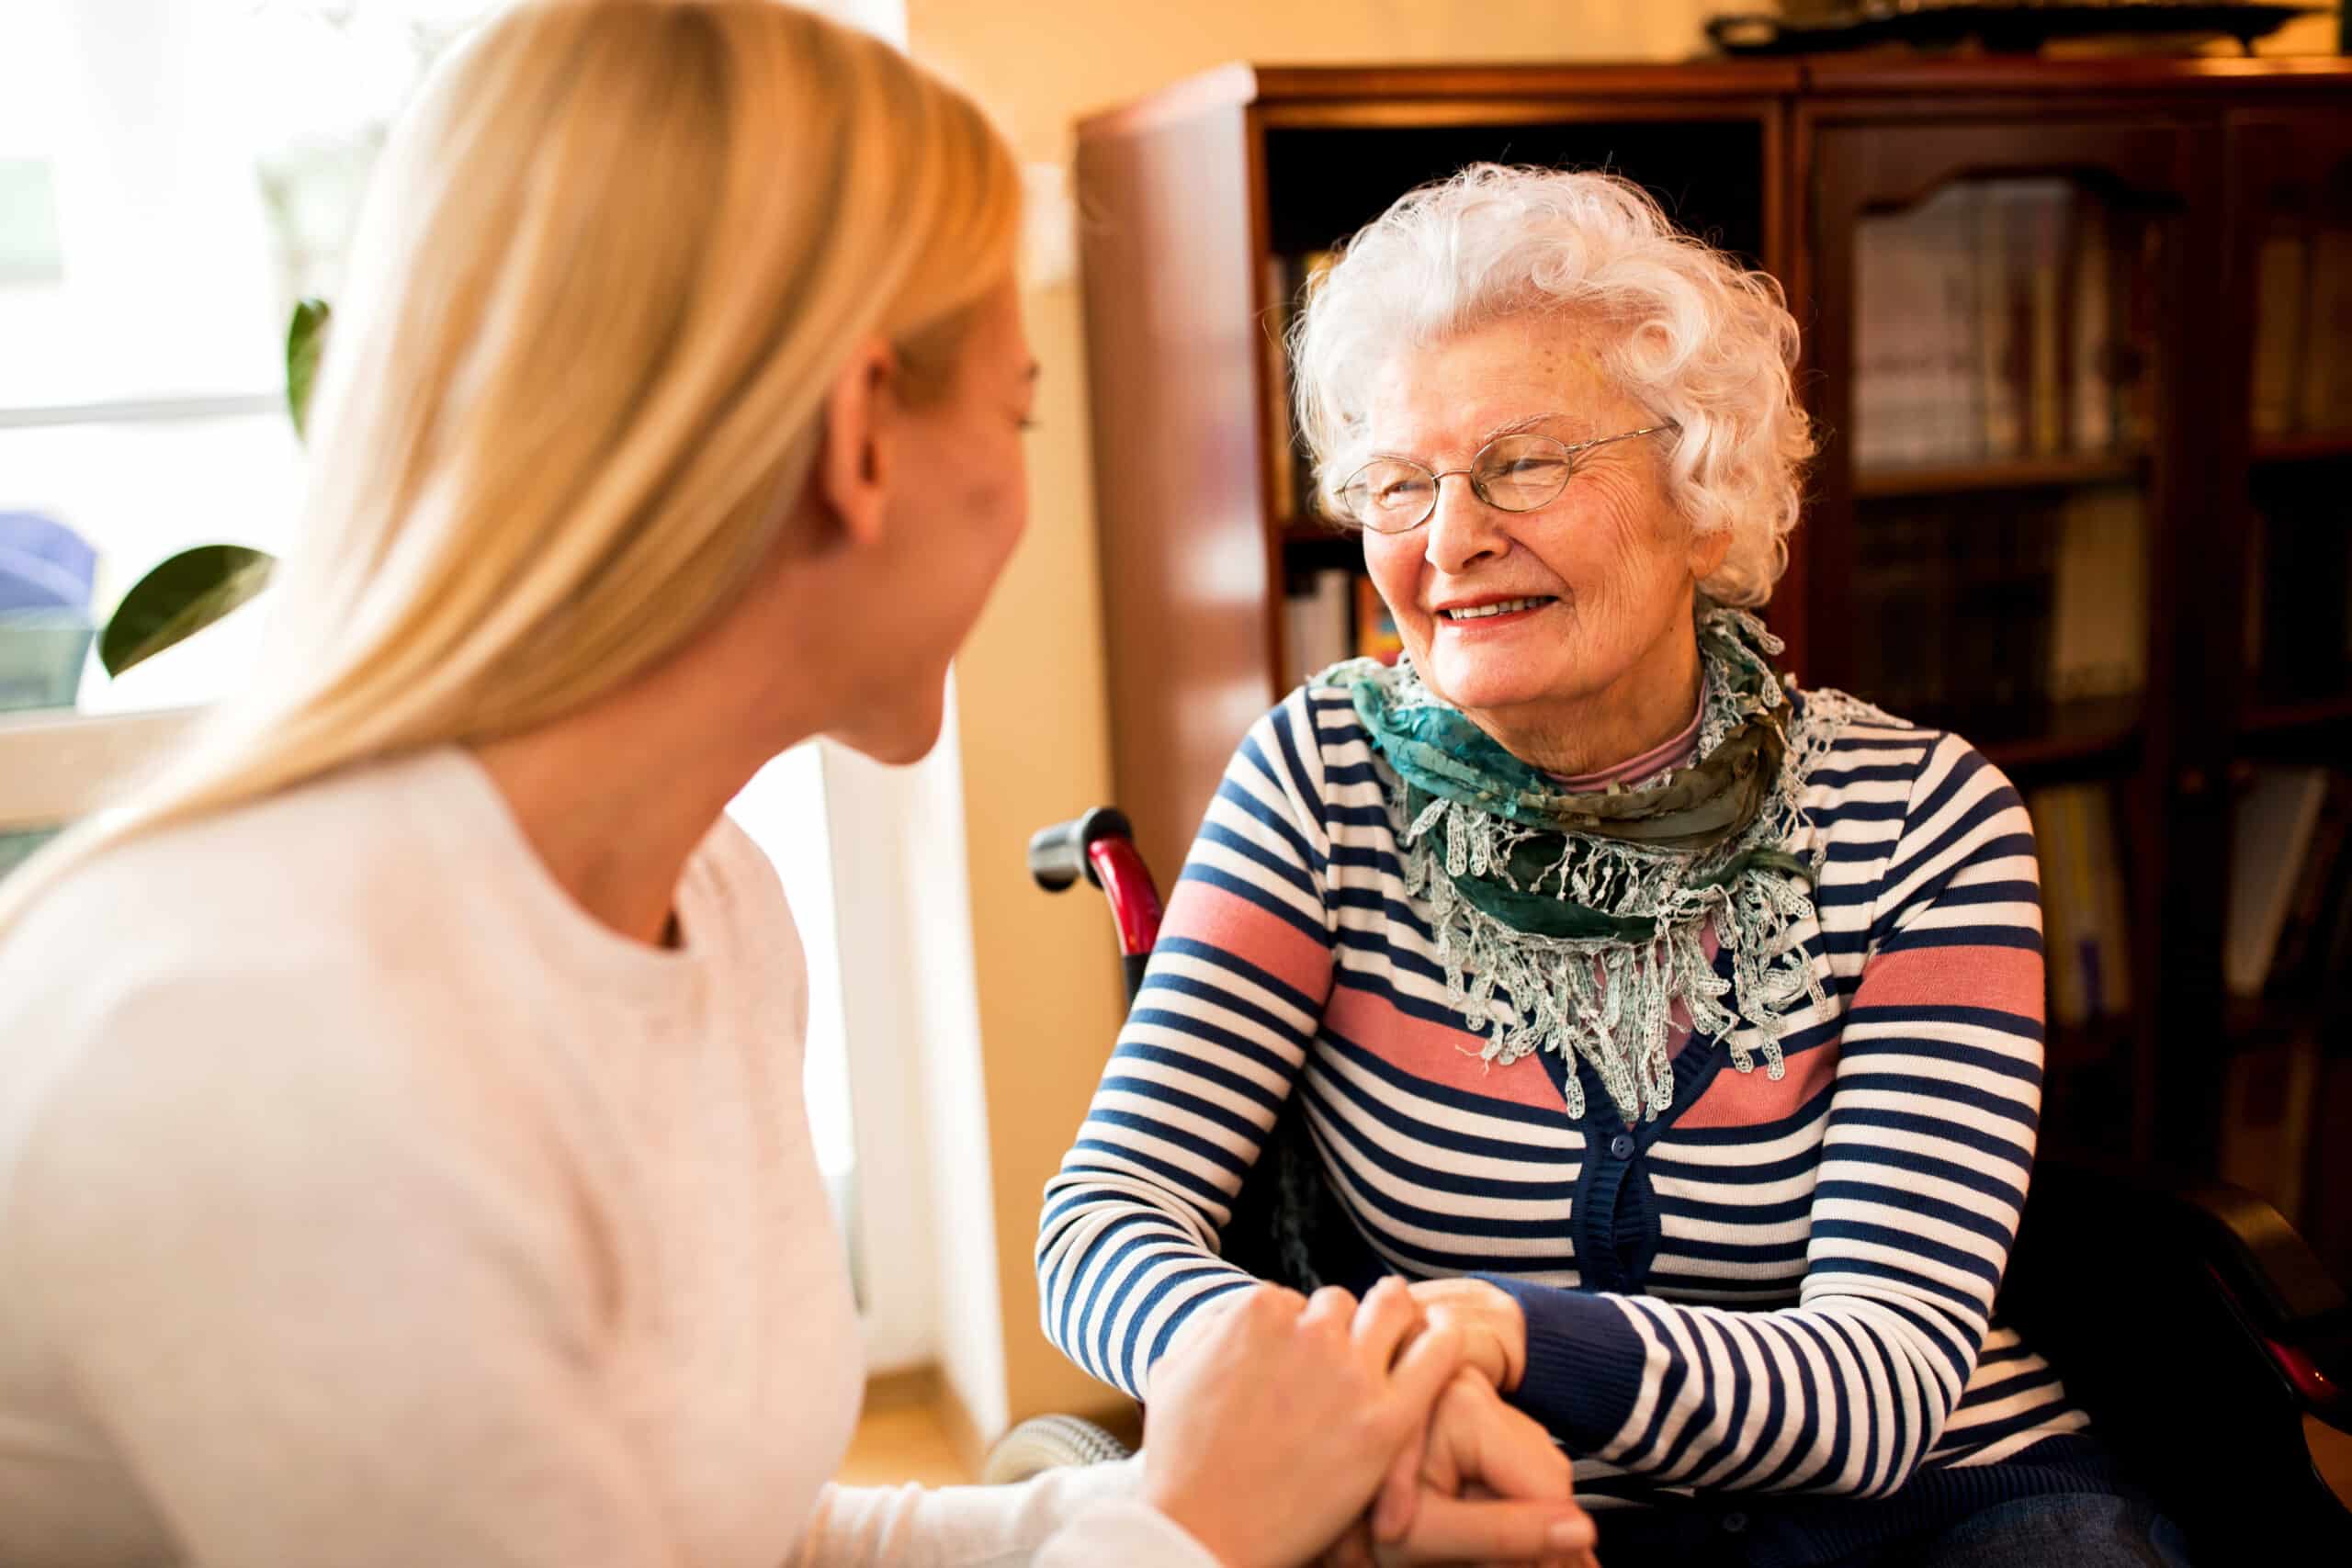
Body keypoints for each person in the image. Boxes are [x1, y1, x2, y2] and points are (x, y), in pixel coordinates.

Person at [0, 8, 1599, 1567]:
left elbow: (729, 1535)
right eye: (1018, 410)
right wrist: (1197, 1531)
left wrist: (1220, 1491)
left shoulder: (712, 910)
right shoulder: (260, 1036)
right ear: (863, 443)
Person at [1038, 165, 2193, 1567]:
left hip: (1940, 1511)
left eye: (1522, 463)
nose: (1450, 540)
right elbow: (1102, 1221)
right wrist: (1311, 1380)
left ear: (1703, 491)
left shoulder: (1925, 820)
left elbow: (1882, 1387)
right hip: (1493, 1510)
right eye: (1398, 484)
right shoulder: (1321, 777)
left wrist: (1505, 1335)